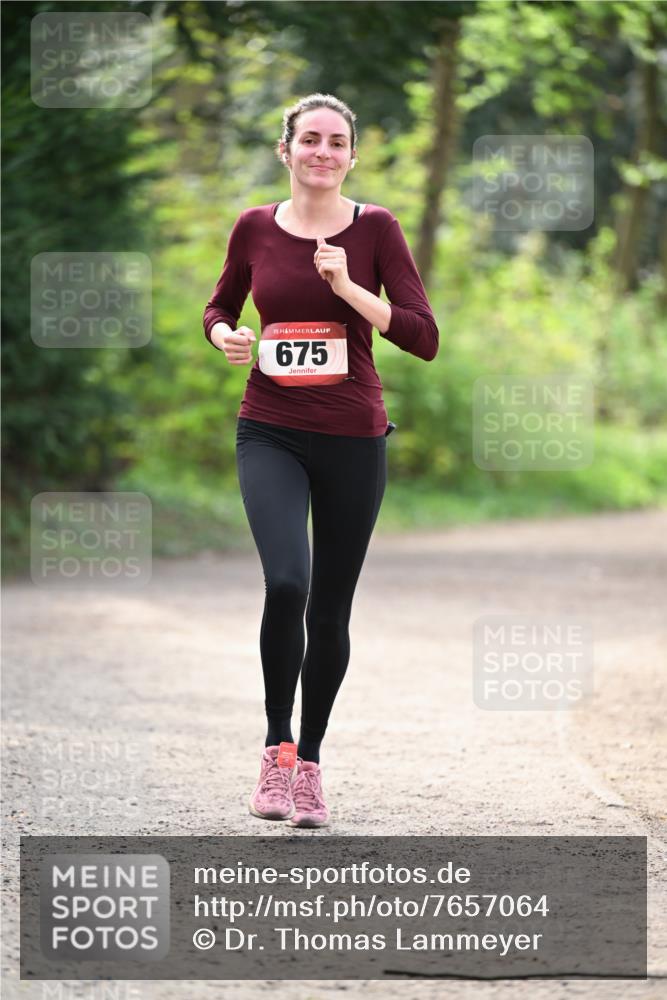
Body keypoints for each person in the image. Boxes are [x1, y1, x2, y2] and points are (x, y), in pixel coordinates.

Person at [203, 92, 439, 828]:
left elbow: (422, 336)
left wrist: (349, 290)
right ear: (286, 150)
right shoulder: (252, 227)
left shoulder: (376, 230)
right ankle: (274, 753)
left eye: (337, 141)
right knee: (286, 582)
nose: (323, 152)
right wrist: (224, 338)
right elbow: (218, 309)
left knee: (331, 607)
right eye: (309, 139)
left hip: (352, 435)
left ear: (351, 157)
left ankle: (310, 763)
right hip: (268, 427)